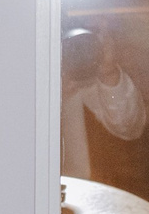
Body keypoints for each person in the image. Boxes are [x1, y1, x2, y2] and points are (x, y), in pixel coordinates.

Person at [60, 24, 144, 180]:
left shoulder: (90, 80)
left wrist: (109, 72)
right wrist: (50, 97)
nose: (75, 51)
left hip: (91, 192)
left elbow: (126, 125)